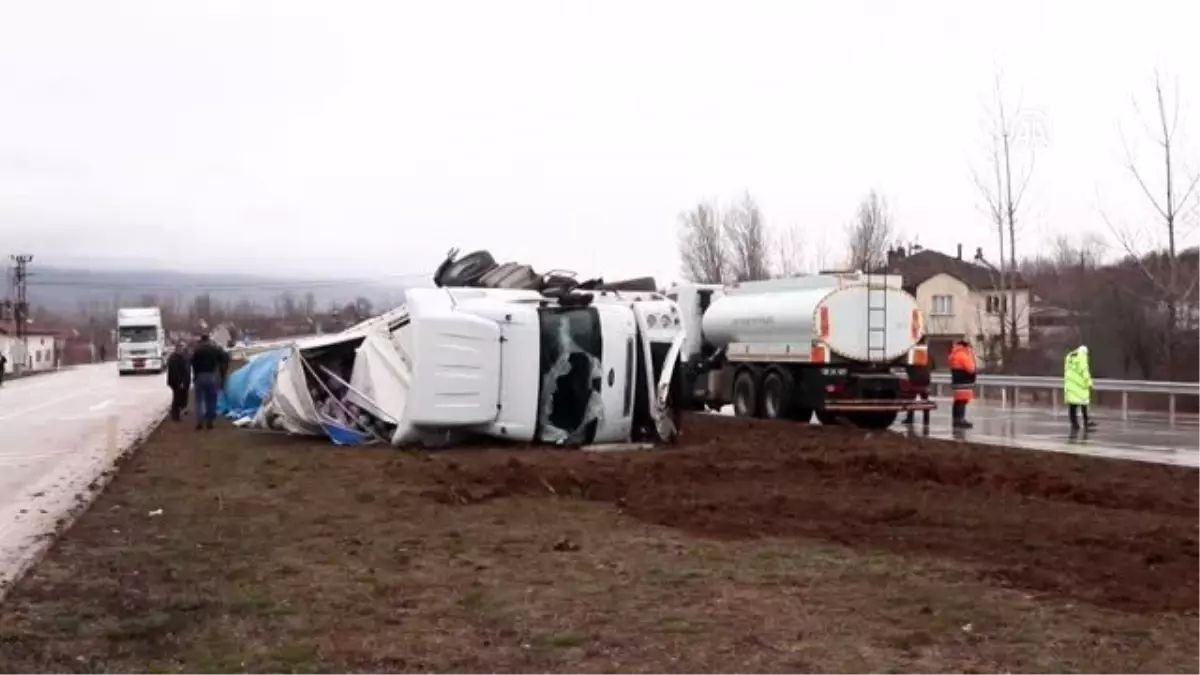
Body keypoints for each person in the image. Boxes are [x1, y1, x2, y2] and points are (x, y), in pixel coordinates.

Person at [190, 333, 228, 431]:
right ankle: (210, 420)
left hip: (200, 375)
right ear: (208, 340)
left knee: (199, 400)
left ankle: (199, 421)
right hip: (211, 375)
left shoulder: (197, 350)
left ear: (201, 340)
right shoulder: (213, 349)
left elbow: (193, 364)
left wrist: (195, 376)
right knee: (211, 399)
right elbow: (223, 357)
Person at [1064, 344, 1096, 432]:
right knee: (1084, 403)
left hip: (1071, 385)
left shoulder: (1069, 356)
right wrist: (1089, 382)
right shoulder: (1082, 356)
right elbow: (1084, 370)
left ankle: (1074, 423)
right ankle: (1086, 421)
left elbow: (1067, 370)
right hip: (1080, 385)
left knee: (1072, 405)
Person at [903, 340, 935, 426]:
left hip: (914, 380)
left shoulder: (912, 354)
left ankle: (910, 418)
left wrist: (911, 374)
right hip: (925, 380)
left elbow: (907, 367)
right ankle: (926, 420)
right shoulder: (928, 354)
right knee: (925, 400)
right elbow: (933, 366)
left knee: (911, 400)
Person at [948, 339, 977, 429]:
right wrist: (971, 356)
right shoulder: (963, 355)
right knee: (962, 401)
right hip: (964, 382)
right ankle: (961, 420)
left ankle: (956, 420)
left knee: (958, 401)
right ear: (965, 346)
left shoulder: (953, 354)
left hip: (957, 382)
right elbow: (971, 368)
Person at [166, 342, 191, 422]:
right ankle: (175, 416)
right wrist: (180, 382)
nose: (182, 350)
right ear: (177, 349)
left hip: (181, 381)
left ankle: (178, 413)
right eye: (181, 349)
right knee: (177, 398)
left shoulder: (181, 357)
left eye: (183, 349)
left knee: (180, 397)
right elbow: (175, 372)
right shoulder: (174, 358)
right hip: (177, 382)